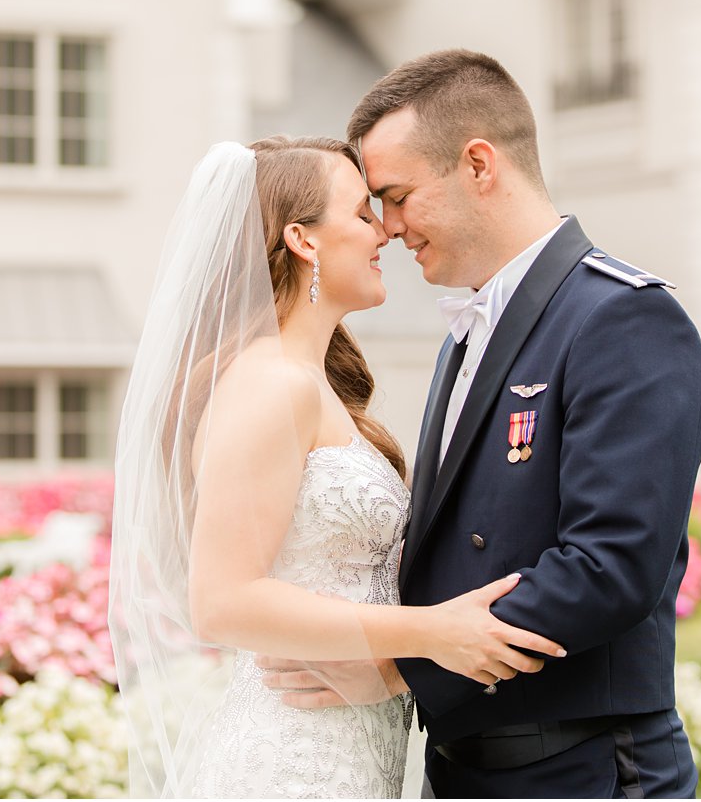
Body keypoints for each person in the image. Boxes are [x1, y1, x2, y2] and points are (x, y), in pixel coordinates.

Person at [268, 49, 701, 797]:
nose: (387, 227)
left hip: (585, 769)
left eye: (399, 195)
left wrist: (393, 664)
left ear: (478, 164)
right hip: (468, 768)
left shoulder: (622, 316)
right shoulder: (465, 334)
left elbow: (610, 564)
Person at [108, 136, 566, 799]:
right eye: (361, 213)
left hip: (352, 747)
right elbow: (222, 599)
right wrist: (432, 633)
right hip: (293, 760)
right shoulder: (271, 384)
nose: (384, 230)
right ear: (303, 239)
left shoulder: (311, 381)